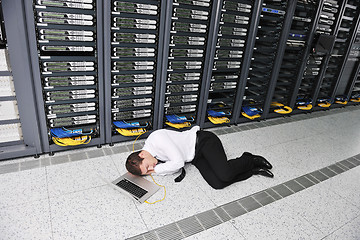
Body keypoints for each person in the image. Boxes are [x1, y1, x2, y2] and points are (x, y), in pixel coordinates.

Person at [125, 126, 274, 189]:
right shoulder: (151, 158)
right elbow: (172, 168)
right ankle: (252, 170)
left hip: (204, 141)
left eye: (147, 167)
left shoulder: (157, 139)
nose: (152, 168)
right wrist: (153, 169)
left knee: (225, 173)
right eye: (148, 172)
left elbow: (177, 162)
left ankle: (249, 159)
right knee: (218, 184)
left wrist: (155, 170)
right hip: (195, 156)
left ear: (142, 154)